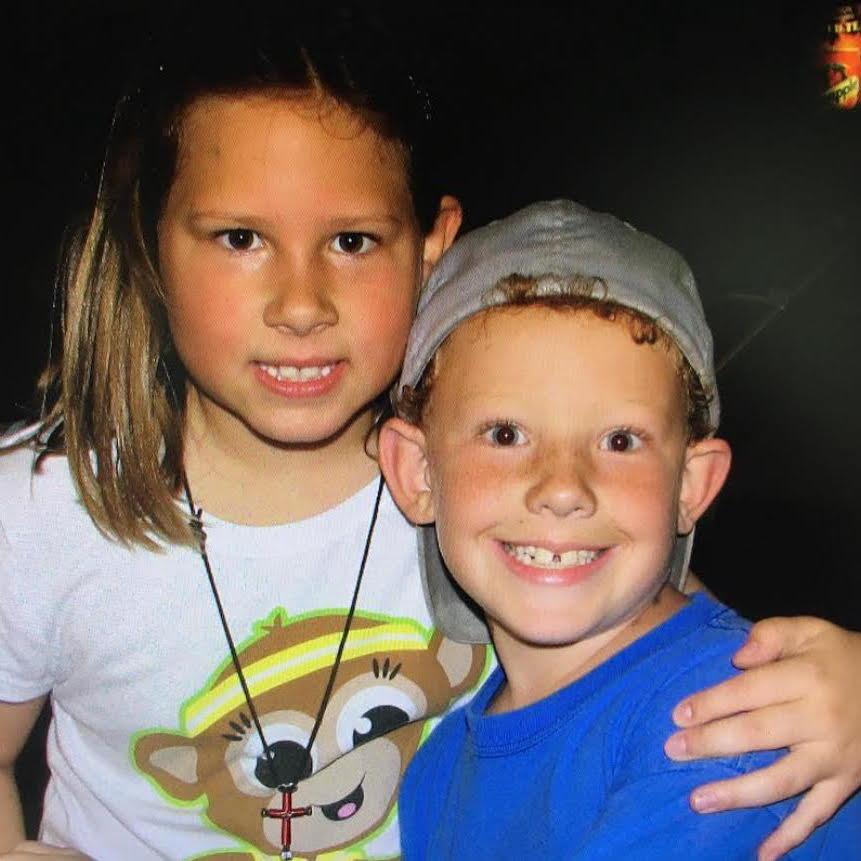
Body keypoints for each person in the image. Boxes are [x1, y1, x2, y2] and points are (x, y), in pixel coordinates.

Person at [0, 6, 858, 860]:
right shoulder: (35, 512)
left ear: (429, 249)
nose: (300, 304)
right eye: (239, 237)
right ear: (148, 246)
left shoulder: (478, 485)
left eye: (351, 240)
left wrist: (843, 688)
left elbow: (662, 616)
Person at [380, 199, 861, 859]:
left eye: (619, 440)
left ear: (690, 485)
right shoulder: (434, 775)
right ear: (417, 472)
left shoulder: (727, 724)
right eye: (506, 434)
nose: (562, 487)